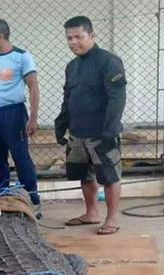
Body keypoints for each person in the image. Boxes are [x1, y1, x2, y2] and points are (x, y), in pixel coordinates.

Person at [54, 16, 127, 236]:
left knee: (109, 175)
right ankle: (91, 212)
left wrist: (110, 129)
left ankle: (112, 217)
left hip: (101, 132)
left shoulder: (109, 61)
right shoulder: (72, 66)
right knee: (84, 175)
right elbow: (68, 97)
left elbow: (117, 98)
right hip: (77, 131)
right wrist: (61, 123)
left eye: (79, 36)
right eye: (69, 38)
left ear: (92, 36)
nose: (73, 42)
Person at [0, 19, 41, 216]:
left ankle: (32, 198)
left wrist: (33, 118)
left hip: (14, 113)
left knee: (20, 156)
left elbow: (33, 87)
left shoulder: (22, 57)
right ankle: (1, 196)